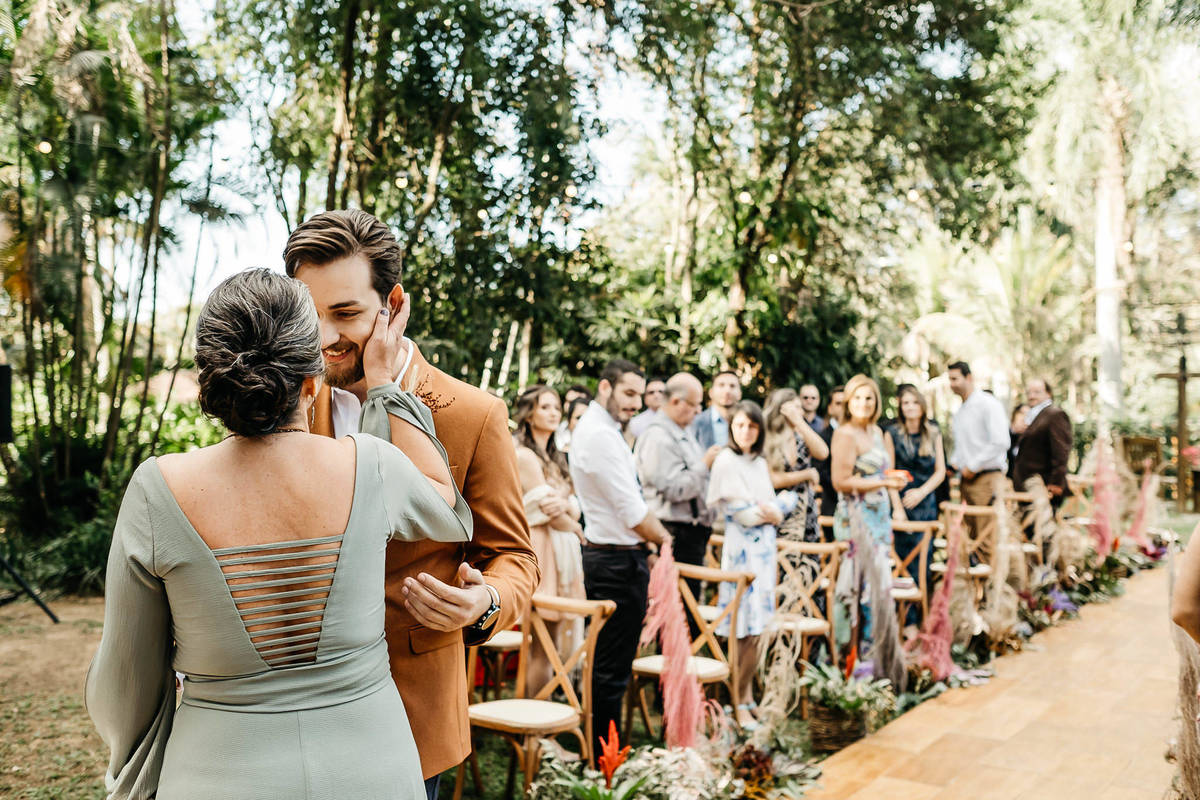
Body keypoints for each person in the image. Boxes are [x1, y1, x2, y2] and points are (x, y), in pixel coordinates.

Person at [86, 269, 473, 800]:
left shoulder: (158, 490)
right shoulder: (371, 466)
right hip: (373, 772)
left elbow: (123, 682)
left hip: (215, 777)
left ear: (213, 385)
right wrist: (385, 388)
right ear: (311, 384)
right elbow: (447, 508)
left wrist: (133, 774)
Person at [284, 210, 538, 799]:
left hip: (411, 708)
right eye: (309, 314)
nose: (323, 338)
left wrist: (484, 600)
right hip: (301, 706)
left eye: (345, 313)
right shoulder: (286, 400)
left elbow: (517, 557)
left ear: (392, 304)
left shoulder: (473, 414)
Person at [569, 359, 671, 757]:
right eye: (628, 393)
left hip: (617, 557)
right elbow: (632, 512)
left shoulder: (606, 432)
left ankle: (606, 752)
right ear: (605, 387)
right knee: (611, 670)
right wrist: (665, 541)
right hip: (613, 563)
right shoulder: (599, 435)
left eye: (639, 395)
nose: (635, 403)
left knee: (614, 666)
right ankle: (605, 758)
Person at [707, 400, 797, 730]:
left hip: (765, 553)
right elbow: (739, 512)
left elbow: (781, 502)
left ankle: (746, 695)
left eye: (751, 426)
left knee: (759, 628)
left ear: (759, 430)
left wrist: (775, 508)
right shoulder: (726, 461)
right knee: (741, 628)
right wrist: (772, 510)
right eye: (739, 425)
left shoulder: (758, 463)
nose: (745, 431)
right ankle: (736, 698)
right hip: (741, 552)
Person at [512, 385, 586, 695]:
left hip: (562, 550)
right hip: (543, 548)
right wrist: (577, 527)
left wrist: (568, 510)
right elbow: (549, 512)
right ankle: (533, 726)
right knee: (543, 641)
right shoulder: (525, 456)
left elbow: (569, 507)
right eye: (545, 407)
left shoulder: (556, 457)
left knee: (554, 639)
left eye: (557, 407)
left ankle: (540, 713)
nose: (554, 412)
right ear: (529, 414)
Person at [830, 375, 906, 659]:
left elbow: (884, 472)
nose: (864, 403)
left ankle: (876, 651)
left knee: (879, 588)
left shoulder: (877, 433)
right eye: (858, 398)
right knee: (855, 588)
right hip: (855, 519)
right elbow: (841, 481)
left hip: (880, 518)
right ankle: (849, 655)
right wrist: (882, 484)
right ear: (849, 402)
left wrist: (892, 484)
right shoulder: (845, 434)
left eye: (869, 398)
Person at [634, 372, 719, 599]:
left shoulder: (682, 431)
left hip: (692, 533)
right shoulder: (658, 437)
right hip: (674, 531)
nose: (698, 411)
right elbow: (673, 489)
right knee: (675, 611)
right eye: (694, 404)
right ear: (675, 402)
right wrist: (705, 464)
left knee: (688, 609)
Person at [883, 386, 946, 627]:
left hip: (925, 501)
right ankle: (905, 622)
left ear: (922, 406)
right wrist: (897, 507)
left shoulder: (933, 432)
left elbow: (940, 471)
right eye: (905, 403)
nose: (910, 407)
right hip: (900, 502)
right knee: (902, 561)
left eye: (914, 403)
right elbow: (888, 471)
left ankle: (923, 620)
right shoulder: (892, 433)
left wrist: (922, 492)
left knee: (924, 560)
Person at [947, 361, 1010, 553]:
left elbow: (1000, 441)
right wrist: (954, 464)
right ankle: (977, 582)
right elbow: (964, 447)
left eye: (955, 379)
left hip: (987, 478)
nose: (952, 384)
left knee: (987, 535)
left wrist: (973, 466)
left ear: (969, 378)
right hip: (967, 480)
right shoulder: (960, 411)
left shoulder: (988, 404)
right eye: (949, 380)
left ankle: (994, 581)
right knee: (972, 535)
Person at [763, 388, 829, 543]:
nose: (801, 411)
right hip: (779, 511)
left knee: (808, 561)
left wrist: (800, 422)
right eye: (796, 407)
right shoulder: (768, 438)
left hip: (806, 509)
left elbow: (823, 452)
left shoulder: (801, 435)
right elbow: (773, 479)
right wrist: (806, 474)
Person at [1012, 378, 1073, 509]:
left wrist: (1056, 482)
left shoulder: (1055, 414)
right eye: (1029, 392)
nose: (1031, 396)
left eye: (1037, 392)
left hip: (1044, 486)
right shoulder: (1031, 415)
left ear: (1048, 394)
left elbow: (1061, 451)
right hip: (1026, 486)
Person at [814, 385, 846, 521]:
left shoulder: (859, 434)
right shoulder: (822, 436)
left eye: (846, 403)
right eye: (838, 403)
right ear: (830, 408)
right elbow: (821, 471)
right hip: (832, 504)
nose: (843, 408)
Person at [691, 370, 741, 449]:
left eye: (732, 386)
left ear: (740, 394)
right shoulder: (695, 422)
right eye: (721, 385)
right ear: (711, 392)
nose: (727, 391)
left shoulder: (749, 423)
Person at [1007, 402, 1030, 481]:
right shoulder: (1004, 435)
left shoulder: (1030, 438)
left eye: (1029, 414)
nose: (1025, 417)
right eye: (1022, 413)